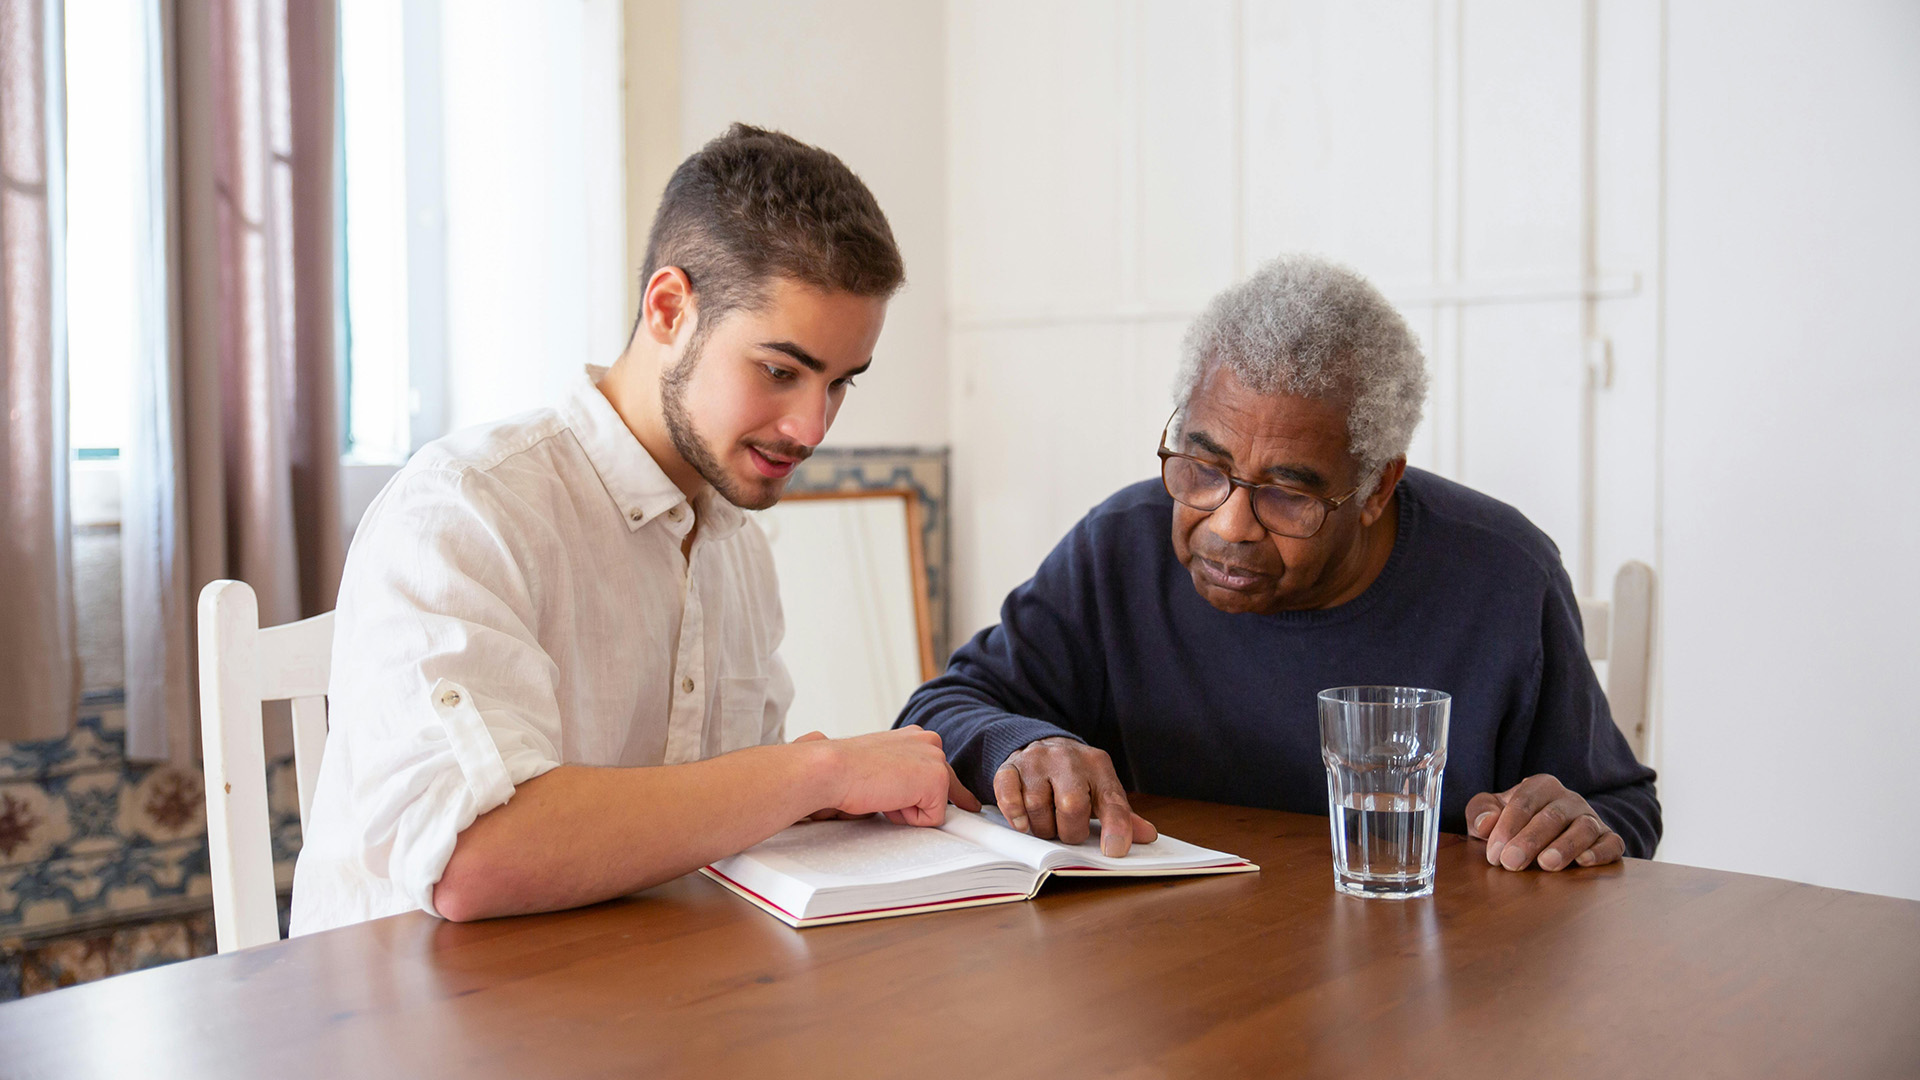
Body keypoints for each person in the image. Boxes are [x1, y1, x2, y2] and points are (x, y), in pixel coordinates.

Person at [291, 125, 976, 935]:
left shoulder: (738, 547)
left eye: (839, 384)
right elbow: (473, 861)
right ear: (668, 309)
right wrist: (818, 771)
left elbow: (729, 823)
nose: (811, 427)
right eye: (780, 371)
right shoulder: (467, 508)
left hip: (636, 1001)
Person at [898, 254, 1659, 872]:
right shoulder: (1119, 549)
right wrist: (1025, 744)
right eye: (1202, 467)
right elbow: (936, 712)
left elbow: (1620, 808)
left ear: (1374, 487)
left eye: (1288, 494)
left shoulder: (1502, 576)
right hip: (1172, 988)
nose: (1228, 524)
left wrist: (1571, 823)